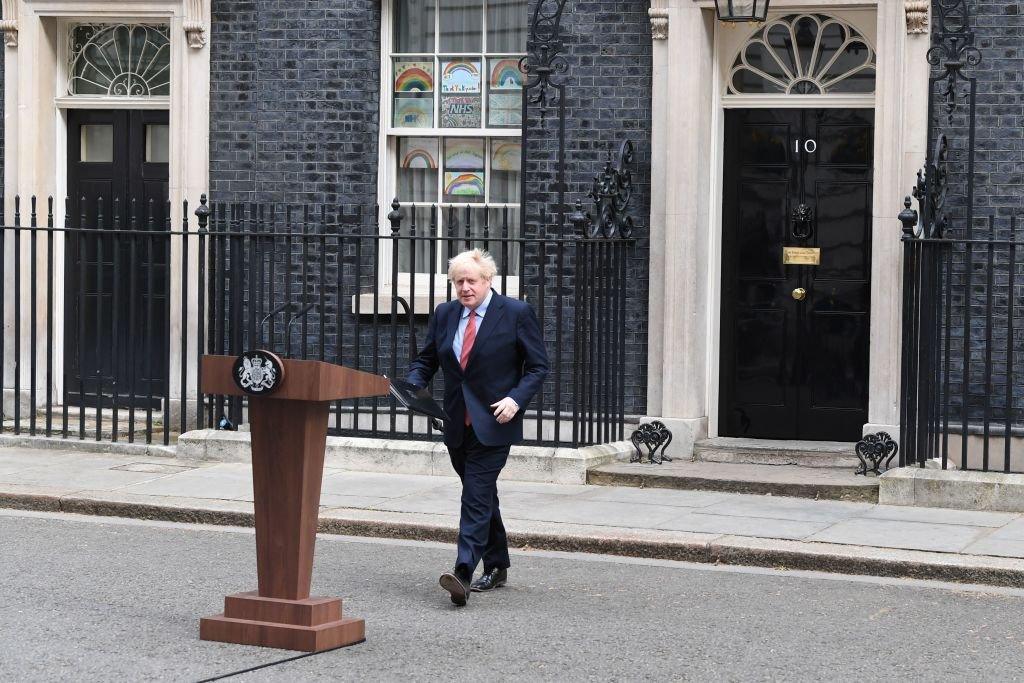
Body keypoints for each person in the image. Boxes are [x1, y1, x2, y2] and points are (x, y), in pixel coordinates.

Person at [406, 249, 549, 606]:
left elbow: (537, 366)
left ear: (488, 281)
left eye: (471, 280)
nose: (465, 288)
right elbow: (426, 360)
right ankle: (498, 564)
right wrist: (412, 387)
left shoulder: (515, 313)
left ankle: (463, 572)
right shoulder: (445, 314)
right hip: (456, 422)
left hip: (495, 422)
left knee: (474, 495)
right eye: (459, 282)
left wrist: (515, 400)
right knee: (482, 496)